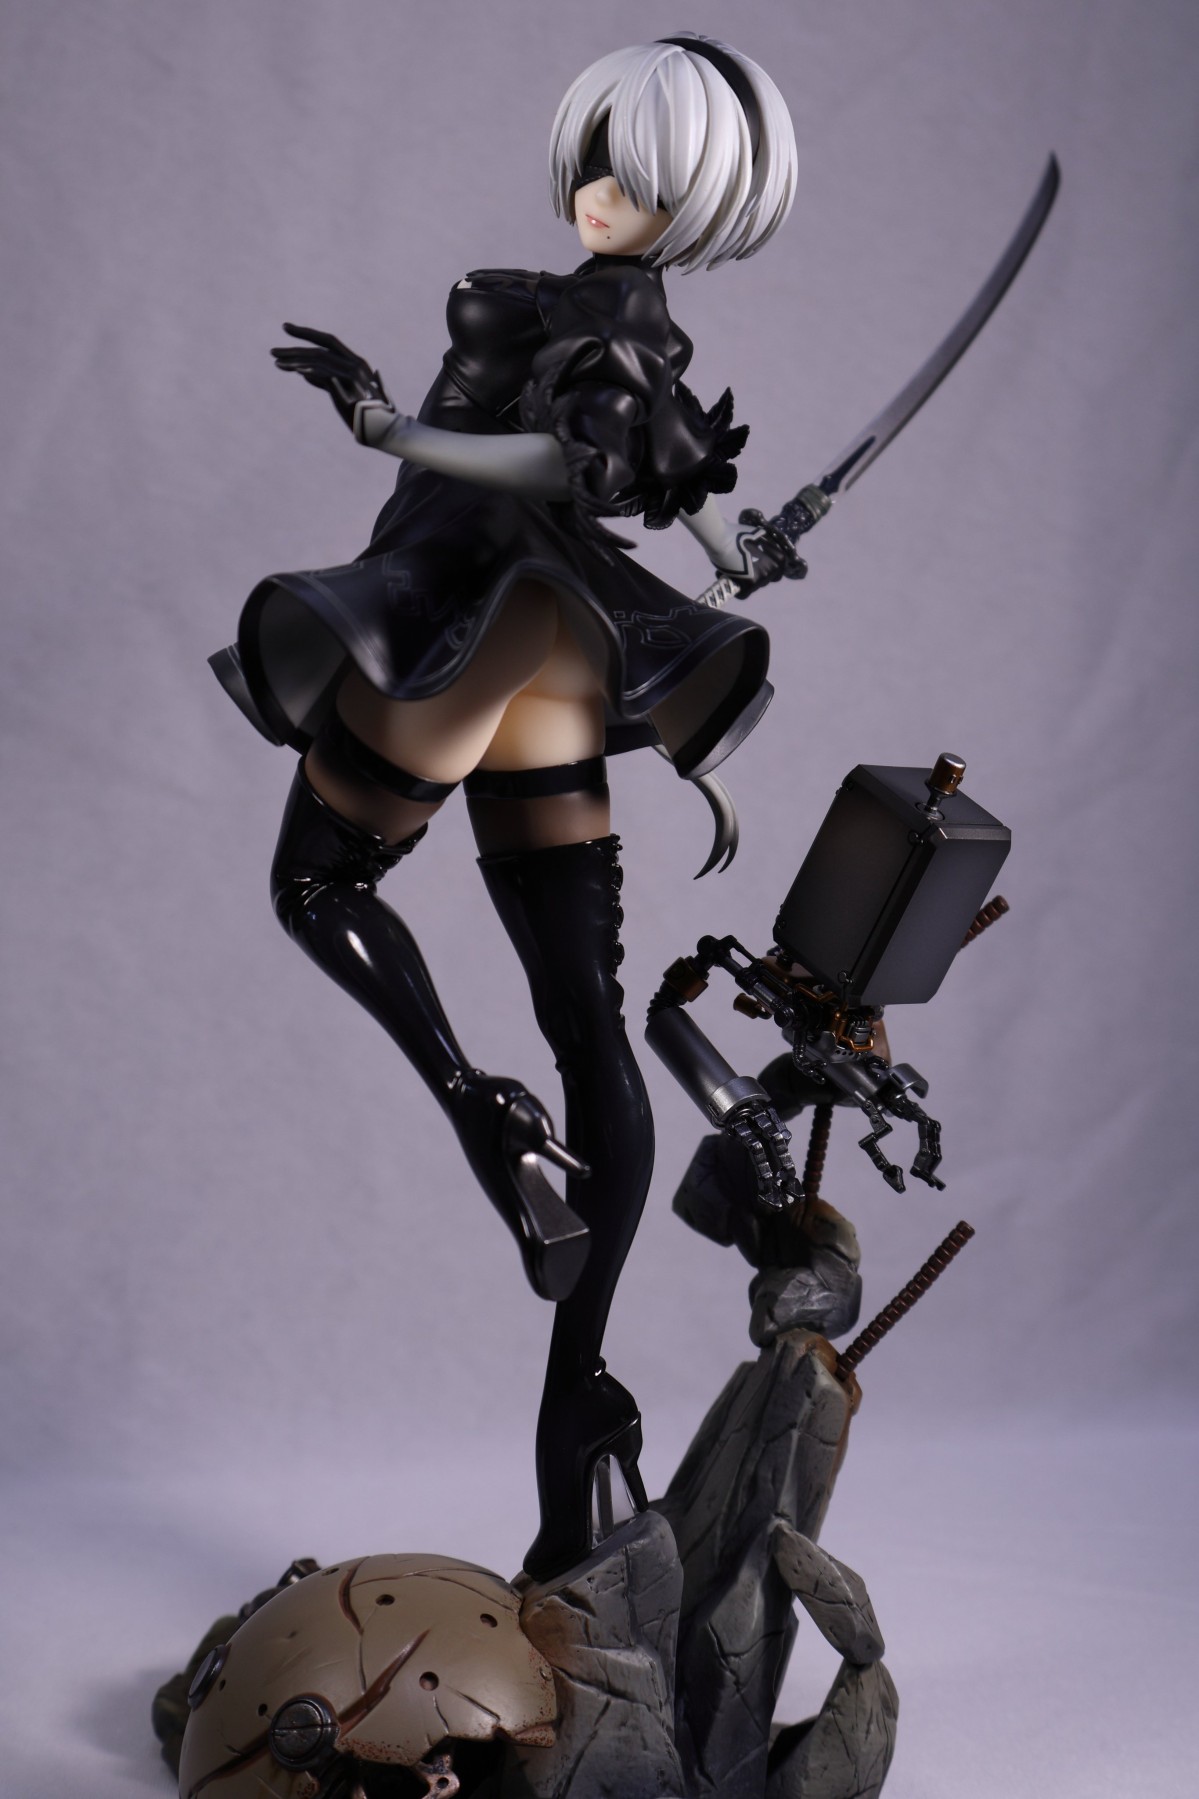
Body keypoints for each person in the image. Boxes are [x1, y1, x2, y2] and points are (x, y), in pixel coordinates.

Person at [212, 33, 800, 1580]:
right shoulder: (627, 323)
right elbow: (641, 461)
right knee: (590, 1026)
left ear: (696, 202)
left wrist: (382, 426)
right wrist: (732, 544)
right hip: (557, 648)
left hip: (473, 612)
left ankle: (487, 1117)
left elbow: (552, 461)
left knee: (322, 886)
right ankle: (581, 1401)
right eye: (600, 159)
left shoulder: (606, 321)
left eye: (641, 174)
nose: (605, 191)